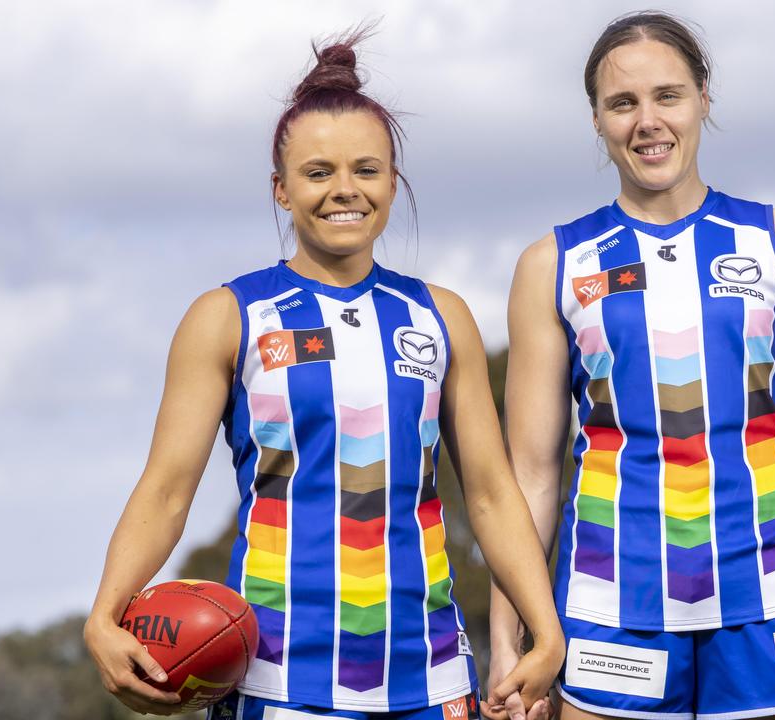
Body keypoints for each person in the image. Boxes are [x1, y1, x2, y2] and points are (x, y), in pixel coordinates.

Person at [83, 29, 563, 720]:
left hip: (431, 682)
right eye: (318, 173)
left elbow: (489, 494)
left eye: (366, 170)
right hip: (279, 683)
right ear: (281, 190)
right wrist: (105, 613)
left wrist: (543, 630)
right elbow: (165, 492)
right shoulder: (226, 316)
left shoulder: (440, 316)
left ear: (393, 183)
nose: (345, 190)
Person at [488, 11, 775, 720]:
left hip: (772, 601)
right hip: (608, 608)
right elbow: (530, 473)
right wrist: (510, 638)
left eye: (668, 96)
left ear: (703, 100)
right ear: (597, 119)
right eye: (622, 103)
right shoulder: (553, 264)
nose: (647, 121)